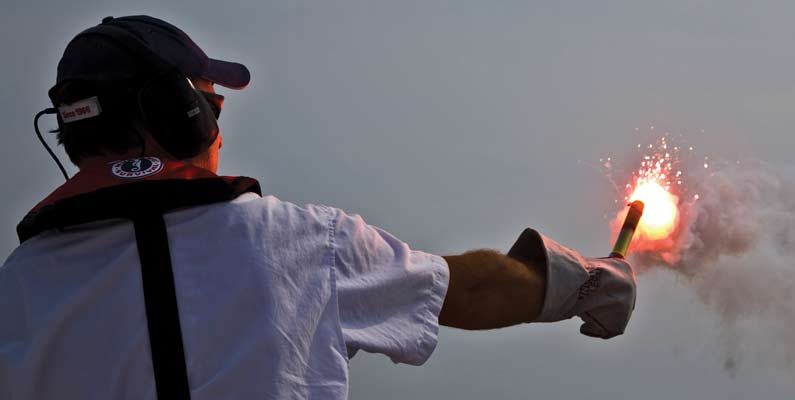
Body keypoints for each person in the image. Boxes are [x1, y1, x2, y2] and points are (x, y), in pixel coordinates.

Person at [0, 15, 637, 400]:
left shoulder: (16, 292)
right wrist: (584, 280)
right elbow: (463, 292)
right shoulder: (293, 241)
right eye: (212, 107)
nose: (219, 130)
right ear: (181, 116)